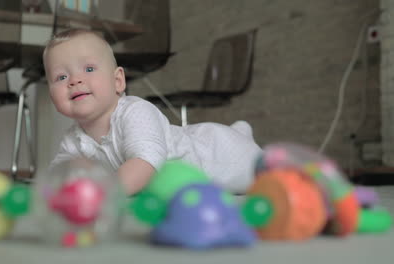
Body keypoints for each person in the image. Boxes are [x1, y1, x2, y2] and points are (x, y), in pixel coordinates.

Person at [43, 28, 262, 195]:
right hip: (178, 181)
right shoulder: (74, 139)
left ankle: (250, 142)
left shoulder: (136, 112)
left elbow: (144, 165)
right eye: (61, 77)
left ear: (118, 81)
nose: (75, 80)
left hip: (220, 154)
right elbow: (57, 177)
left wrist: (101, 195)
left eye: (89, 69)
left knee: (263, 174)